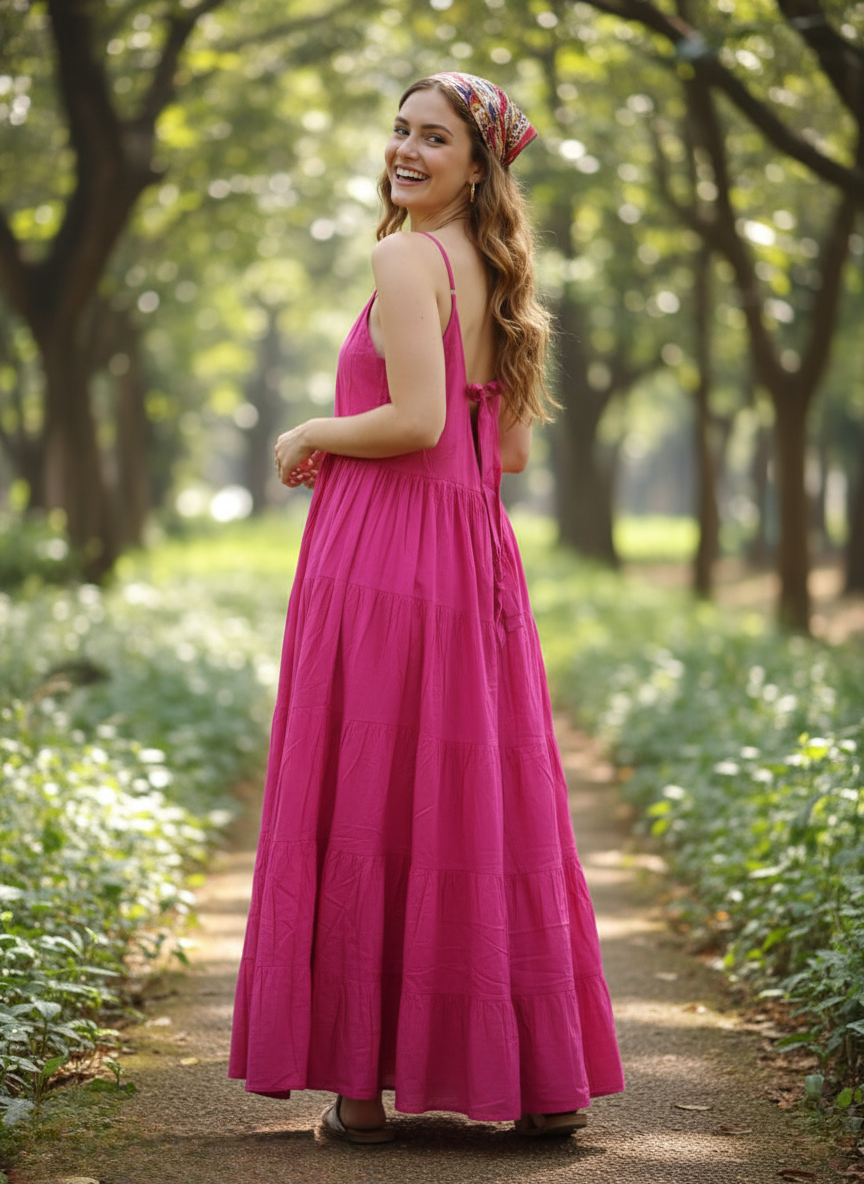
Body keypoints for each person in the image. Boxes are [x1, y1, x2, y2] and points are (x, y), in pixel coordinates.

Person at [228, 71, 624, 1145]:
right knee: (473, 795)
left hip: (387, 556)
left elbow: (411, 420)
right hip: (471, 555)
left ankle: (361, 1088)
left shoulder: (405, 256)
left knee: (373, 788)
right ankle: (539, 1079)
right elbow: (508, 446)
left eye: (433, 137)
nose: (406, 149)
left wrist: (312, 429)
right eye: (400, 130)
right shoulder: (491, 269)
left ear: (477, 162)